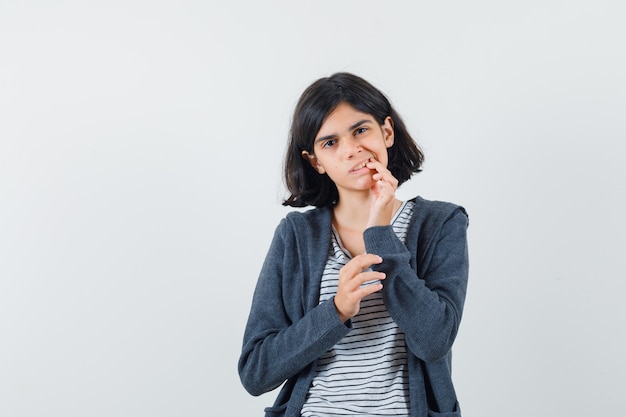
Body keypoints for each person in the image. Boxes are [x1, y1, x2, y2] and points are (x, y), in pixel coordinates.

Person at [238, 72, 469, 417]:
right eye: (330, 143)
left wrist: (378, 231)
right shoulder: (296, 236)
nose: (351, 150)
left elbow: (433, 339)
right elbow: (256, 372)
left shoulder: (440, 223)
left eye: (361, 130)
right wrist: (337, 310)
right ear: (315, 161)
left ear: (386, 132)